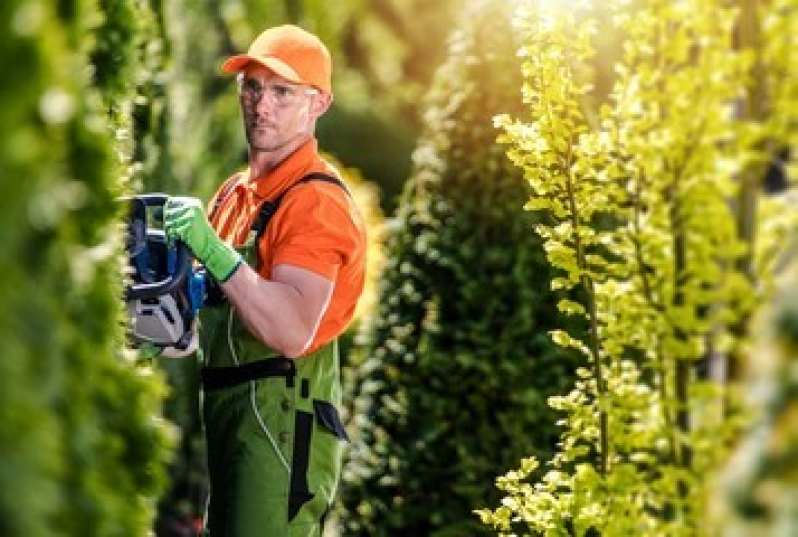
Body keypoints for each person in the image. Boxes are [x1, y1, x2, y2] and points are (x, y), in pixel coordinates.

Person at [162, 24, 367, 537]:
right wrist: (158, 323)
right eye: (252, 88)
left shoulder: (316, 203)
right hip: (229, 411)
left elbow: (291, 329)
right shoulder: (235, 193)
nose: (262, 104)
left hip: (281, 424)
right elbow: (211, 310)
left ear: (318, 104)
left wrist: (212, 249)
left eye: (282, 92)